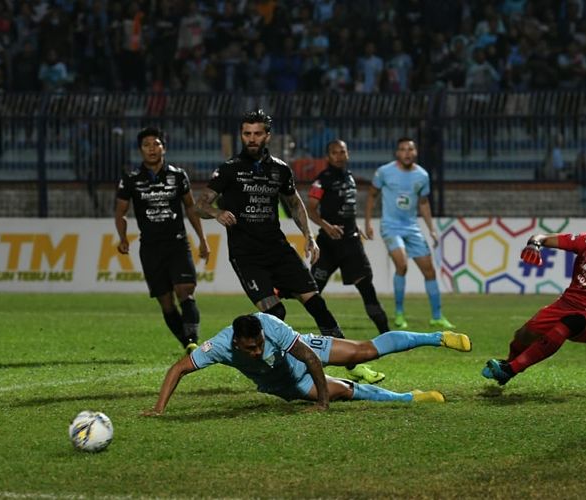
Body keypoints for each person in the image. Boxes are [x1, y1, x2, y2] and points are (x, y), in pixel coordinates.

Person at [195, 109, 384, 384]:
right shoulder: (229, 169)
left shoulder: (280, 169)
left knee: (318, 305)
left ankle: (353, 365)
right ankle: (287, 371)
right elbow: (200, 204)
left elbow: (294, 203)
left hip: (279, 250)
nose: (251, 138)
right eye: (247, 133)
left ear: (267, 136)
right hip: (247, 256)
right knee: (275, 314)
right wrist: (216, 213)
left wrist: (308, 234)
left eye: (257, 133)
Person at [142, 312, 473, 415]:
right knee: (345, 391)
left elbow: (309, 357)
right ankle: (409, 398)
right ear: (236, 344)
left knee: (362, 352)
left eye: (258, 345)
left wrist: (322, 405)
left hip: (302, 351)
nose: (255, 351)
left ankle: (437, 337)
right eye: (250, 349)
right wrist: (159, 409)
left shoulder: (270, 326)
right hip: (285, 384)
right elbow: (178, 369)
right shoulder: (218, 347)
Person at [482, 206, 586, 386]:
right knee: (524, 334)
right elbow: (540, 238)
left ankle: (510, 370)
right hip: (567, 304)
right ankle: (507, 365)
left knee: (569, 323)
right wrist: (534, 245)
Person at [115, 126, 209, 353]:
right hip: (150, 248)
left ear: (163, 147)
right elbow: (120, 213)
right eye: (146, 145)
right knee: (166, 302)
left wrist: (202, 239)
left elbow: (190, 207)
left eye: (156, 144)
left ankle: (193, 339)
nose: (152, 149)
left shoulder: (178, 176)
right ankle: (186, 342)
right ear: (140, 150)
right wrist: (123, 237)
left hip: (177, 243)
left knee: (185, 290)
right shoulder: (130, 179)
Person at [364, 137, 455, 330]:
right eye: (403, 149)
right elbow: (372, 195)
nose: (407, 153)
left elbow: (423, 202)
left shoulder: (422, 175)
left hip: (412, 227)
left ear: (416, 152)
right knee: (402, 265)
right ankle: (399, 314)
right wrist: (368, 222)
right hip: (390, 226)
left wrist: (431, 229)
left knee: (429, 271)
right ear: (397, 153)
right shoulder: (384, 172)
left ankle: (437, 316)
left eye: (410, 149)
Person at [306, 139, 390, 337]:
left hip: (351, 245)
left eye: (342, 152)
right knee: (310, 290)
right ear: (328, 156)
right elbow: (310, 209)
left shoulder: (350, 177)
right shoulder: (322, 179)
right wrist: (326, 226)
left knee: (367, 289)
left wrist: (355, 226)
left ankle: (387, 335)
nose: (339, 156)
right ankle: (277, 298)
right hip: (328, 245)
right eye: (334, 152)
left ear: (348, 154)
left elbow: (346, 211)